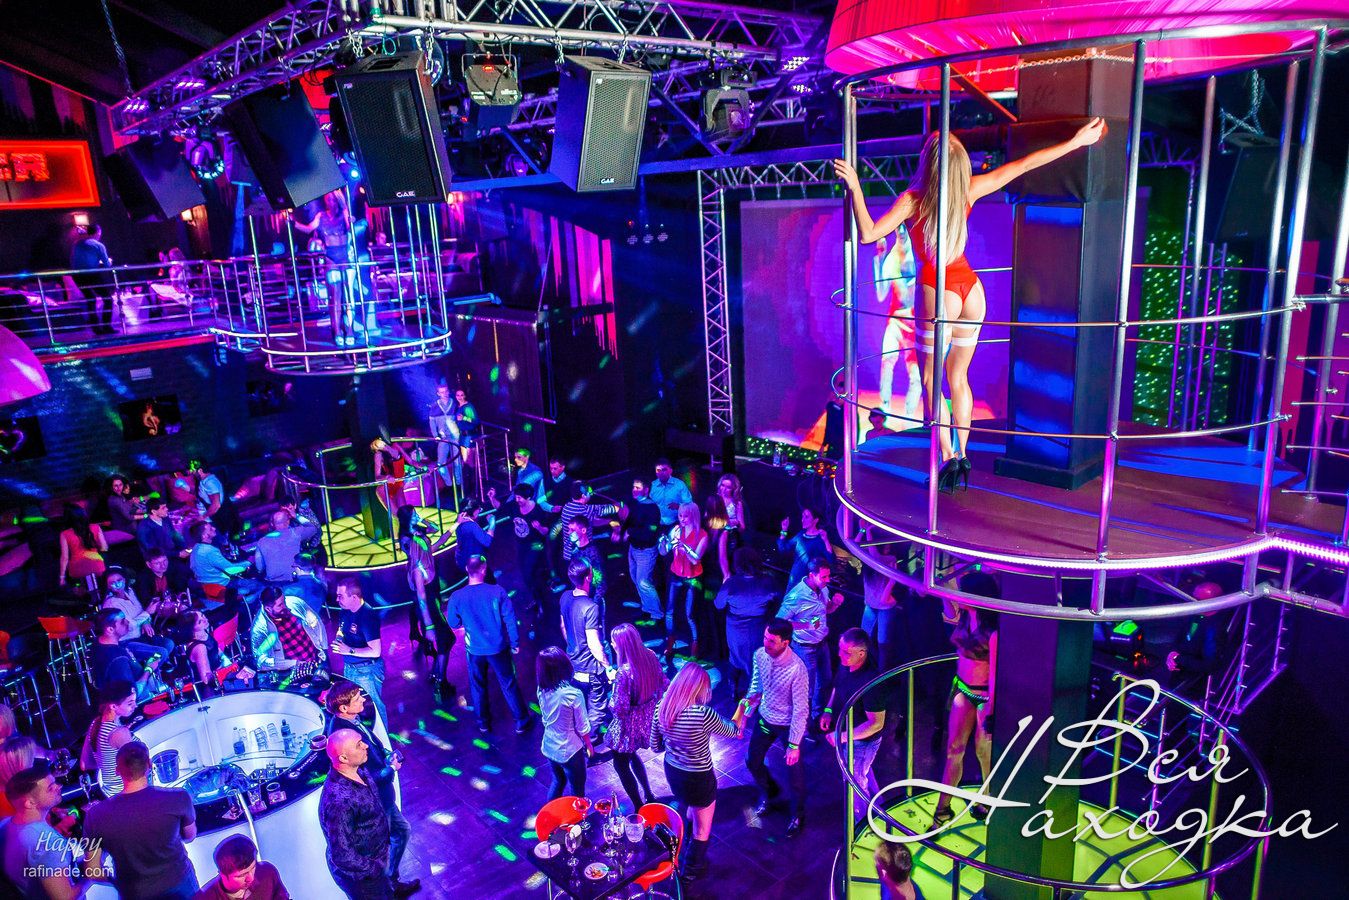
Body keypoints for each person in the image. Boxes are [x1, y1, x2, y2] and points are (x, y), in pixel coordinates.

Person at [836, 119, 1106, 491]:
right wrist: (1076, 142)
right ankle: (962, 454)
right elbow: (1024, 165)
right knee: (958, 377)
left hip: (938, 291)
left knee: (931, 380)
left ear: (927, 162)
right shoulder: (970, 189)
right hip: (971, 291)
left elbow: (868, 234)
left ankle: (947, 456)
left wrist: (855, 188)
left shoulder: (913, 199)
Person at [650, 663, 744, 879]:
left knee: (691, 808)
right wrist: (742, 707)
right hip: (699, 777)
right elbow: (734, 731)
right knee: (703, 830)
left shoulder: (662, 707)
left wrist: (675, 743)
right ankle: (688, 878)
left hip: (673, 772)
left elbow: (655, 746)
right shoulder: (702, 714)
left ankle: (685, 852)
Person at [325, 685, 418, 896]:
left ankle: (391, 880)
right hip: (377, 802)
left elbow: (373, 748)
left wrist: (385, 755)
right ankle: (390, 880)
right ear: (343, 708)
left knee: (401, 832)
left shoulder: (353, 721)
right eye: (357, 698)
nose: (363, 700)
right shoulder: (343, 738)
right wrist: (391, 769)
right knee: (399, 833)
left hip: (380, 801)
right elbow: (367, 779)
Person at [84, 742, 199, 899]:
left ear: (117, 771)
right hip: (181, 884)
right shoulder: (178, 797)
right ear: (149, 765)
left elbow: (92, 870)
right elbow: (190, 836)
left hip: (135, 893)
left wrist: (118, 881)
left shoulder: (95, 815)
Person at [932, 573, 1000, 827]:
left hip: (984, 696)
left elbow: (995, 672)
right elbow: (948, 608)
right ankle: (943, 807)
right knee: (953, 750)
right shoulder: (963, 617)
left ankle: (987, 798)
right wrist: (940, 587)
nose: (958, 594)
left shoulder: (993, 631)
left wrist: (991, 708)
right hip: (963, 689)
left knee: (983, 752)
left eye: (963, 591)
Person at [444, 555, 531, 734]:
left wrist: (467, 621)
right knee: (508, 683)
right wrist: (514, 642)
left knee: (477, 686)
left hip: (474, 650)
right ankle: (521, 721)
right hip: (498, 648)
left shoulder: (457, 596)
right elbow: (510, 619)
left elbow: (453, 622)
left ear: (467, 570)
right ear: (484, 569)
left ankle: (483, 723)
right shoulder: (497, 591)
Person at [743, 618, 810, 837]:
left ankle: (797, 814)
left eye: (772, 641)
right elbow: (756, 686)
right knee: (752, 760)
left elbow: (801, 709)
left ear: (785, 643)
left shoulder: (797, 669)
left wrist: (794, 744)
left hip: (788, 725)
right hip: (765, 717)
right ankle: (770, 792)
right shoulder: (760, 655)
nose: (766, 643)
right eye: (765, 638)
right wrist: (746, 711)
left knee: (795, 773)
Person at [319, 729, 402, 899]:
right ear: (343, 758)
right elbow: (342, 854)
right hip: (364, 880)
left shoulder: (359, 770)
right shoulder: (339, 801)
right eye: (358, 745)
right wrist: (375, 868)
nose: (365, 746)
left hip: (379, 859)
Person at [820, 629, 887, 816]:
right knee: (863, 773)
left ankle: (862, 823)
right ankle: (881, 807)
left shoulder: (871, 683)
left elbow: (876, 724)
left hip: (862, 743)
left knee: (855, 782)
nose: (840, 655)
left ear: (862, 653)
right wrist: (828, 710)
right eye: (840, 649)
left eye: (846, 652)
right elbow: (837, 686)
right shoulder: (846, 664)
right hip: (848, 735)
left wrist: (841, 736)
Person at [396, 506, 455, 703]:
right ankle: (439, 681)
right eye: (413, 514)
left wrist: (452, 526)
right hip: (428, 607)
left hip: (432, 603)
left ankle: (436, 675)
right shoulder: (417, 568)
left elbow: (435, 532)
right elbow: (421, 599)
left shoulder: (424, 554)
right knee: (447, 639)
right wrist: (428, 626)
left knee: (446, 639)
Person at [2, 763, 88, 897]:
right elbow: (65, 897)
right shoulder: (47, 842)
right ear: (29, 803)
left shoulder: (5, 824)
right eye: (50, 788)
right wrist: (92, 876)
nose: (59, 787)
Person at [605, 624, 666, 810]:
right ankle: (649, 794)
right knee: (632, 755)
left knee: (621, 765)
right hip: (646, 720)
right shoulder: (650, 655)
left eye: (614, 642)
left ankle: (639, 807)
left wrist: (612, 690)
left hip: (628, 726)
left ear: (622, 645)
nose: (612, 645)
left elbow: (620, 709)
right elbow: (663, 683)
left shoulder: (623, 672)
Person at [777, 556, 845, 722]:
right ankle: (801, 725)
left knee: (824, 683)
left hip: (822, 645)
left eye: (828, 576)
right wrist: (806, 625)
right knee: (806, 689)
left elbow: (826, 610)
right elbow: (780, 622)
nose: (827, 580)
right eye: (823, 577)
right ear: (811, 575)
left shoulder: (823, 589)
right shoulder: (797, 596)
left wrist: (835, 604)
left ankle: (816, 717)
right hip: (805, 649)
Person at [294, 191, 361, 347]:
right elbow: (308, 229)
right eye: (328, 199)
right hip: (331, 258)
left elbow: (348, 216)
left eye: (333, 199)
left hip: (345, 257)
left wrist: (337, 191)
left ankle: (349, 330)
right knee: (335, 297)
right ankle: (337, 331)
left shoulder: (344, 214)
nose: (331, 202)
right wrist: (293, 223)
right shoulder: (321, 216)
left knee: (349, 296)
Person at [713, 548, 777, 700]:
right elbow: (777, 599)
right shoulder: (768, 582)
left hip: (736, 629)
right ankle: (756, 694)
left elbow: (718, 604)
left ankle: (734, 690)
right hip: (758, 628)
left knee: (735, 657)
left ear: (737, 563)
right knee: (756, 659)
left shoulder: (731, 583)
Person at [873, 228, 921, 422]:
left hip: (915, 325)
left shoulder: (919, 255)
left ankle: (910, 415)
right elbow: (881, 294)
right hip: (895, 321)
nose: (901, 232)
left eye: (904, 228)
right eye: (898, 228)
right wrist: (880, 258)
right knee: (887, 362)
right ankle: (884, 407)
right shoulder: (891, 259)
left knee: (916, 373)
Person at [560, 559, 612, 732]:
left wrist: (573, 648)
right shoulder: (590, 607)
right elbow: (594, 644)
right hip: (591, 668)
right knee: (597, 708)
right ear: (589, 577)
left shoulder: (565, 597)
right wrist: (608, 667)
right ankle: (590, 740)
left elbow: (563, 627)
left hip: (573, 664)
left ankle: (582, 733)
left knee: (581, 705)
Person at [536, 647, 593, 801]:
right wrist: (589, 745)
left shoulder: (541, 689)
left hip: (549, 745)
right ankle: (577, 817)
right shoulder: (573, 694)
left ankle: (551, 814)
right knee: (578, 792)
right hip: (570, 750)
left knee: (558, 781)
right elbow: (583, 726)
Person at [332, 578, 389, 728]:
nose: (337, 599)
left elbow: (375, 651)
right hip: (350, 668)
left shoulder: (367, 616)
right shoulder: (345, 611)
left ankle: (383, 740)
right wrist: (338, 639)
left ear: (354, 597)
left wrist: (348, 650)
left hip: (367, 671)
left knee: (374, 707)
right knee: (355, 705)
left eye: (340, 596)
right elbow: (341, 629)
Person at [661, 501, 708, 663]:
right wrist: (663, 543)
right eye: (680, 515)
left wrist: (684, 547)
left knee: (689, 614)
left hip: (692, 578)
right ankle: (670, 639)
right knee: (669, 610)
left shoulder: (702, 535)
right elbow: (664, 552)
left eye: (685, 516)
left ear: (693, 516)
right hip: (676, 574)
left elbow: (695, 559)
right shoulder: (675, 530)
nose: (682, 519)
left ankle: (695, 644)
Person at [80, 680, 137, 797]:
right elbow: (137, 770)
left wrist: (108, 763)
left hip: (110, 792)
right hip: (129, 794)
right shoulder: (118, 733)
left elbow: (84, 764)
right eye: (130, 703)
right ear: (113, 706)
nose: (135, 706)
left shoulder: (95, 723)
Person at [102, 568, 175, 660]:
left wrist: (145, 622)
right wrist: (147, 613)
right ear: (108, 586)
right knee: (161, 652)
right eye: (112, 582)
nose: (117, 584)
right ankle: (149, 668)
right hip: (127, 642)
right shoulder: (111, 603)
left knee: (168, 643)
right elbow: (128, 626)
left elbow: (140, 611)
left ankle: (153, 665)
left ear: (124, 579)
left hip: (141, 636)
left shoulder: (129, 591)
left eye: (119, 580)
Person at [251, 586, 325, 674]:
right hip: (293, 672)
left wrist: (323, 648)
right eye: (280, 605)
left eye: (284, 601)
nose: (285, 606)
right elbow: (261, 661)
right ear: (268, 609)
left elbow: (316, 622)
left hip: (317, 659)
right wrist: (293, 663)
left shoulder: (294, 603)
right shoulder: (260, 629)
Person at [194, 834, 290, 900]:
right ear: (223, 875)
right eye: (241, 875)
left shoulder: (267, 872)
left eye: (253, 868)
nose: (250, 878)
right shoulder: (204, 898)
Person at [90, 609, 161, 698]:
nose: (128, 622)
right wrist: (149, 669)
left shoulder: (98, 642)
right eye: (123, 622)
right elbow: (130, 696)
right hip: (141, 701)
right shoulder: (118, 659)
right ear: (110, 629)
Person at [620, 477, 663, 620]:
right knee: (636, 579)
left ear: (646, 490)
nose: (634, 490)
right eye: (633, 487)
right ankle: (646, 608)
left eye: (638, 488)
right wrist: (620, 531)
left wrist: (630, 532)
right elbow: (630, 521)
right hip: (633, 548)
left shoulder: (652, 509)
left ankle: (657, 613)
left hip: (645, 551)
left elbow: (649, 533)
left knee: (644, 582)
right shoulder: (636, 503)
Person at [252, 507, 319, 588]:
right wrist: (296, 515)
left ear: (272, 524)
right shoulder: (296, 533)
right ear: (288, 522)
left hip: (273, 585)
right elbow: (313, 528)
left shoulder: (261, 541)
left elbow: (259, 567)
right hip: (293, 583)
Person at [71, 222, 114, 334]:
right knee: (108, 299)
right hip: (91, 274)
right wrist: (109, 261)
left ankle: (96, 328)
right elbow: (107, 265)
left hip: (77, 275)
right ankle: (106, 326)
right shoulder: (99, 245)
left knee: (90, 299)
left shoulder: (77, 243)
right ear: (98, 232)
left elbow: (77, 260)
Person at [187, 521, 245, 602]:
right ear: (204, 536)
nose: (214, 528)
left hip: (209, 589)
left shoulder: (196, 548)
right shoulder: (209, 550)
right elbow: (231, 569)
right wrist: (249, 563)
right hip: (222, 588)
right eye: (210, 529)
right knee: (257, 584)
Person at [705, 473, 748, 577]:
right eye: (722, 485)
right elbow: (706, 518)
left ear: (734, 489)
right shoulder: (714, 499)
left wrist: (734, 522)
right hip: (715, 531)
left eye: (728, 487)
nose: (724, 489)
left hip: (730, 534)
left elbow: (742, 527)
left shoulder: (737, 503)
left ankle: (727, 575)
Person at [777, 507, 832, 587]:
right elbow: (783, 548)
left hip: (809, 581)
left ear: (815, 520)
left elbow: (831, 559)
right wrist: (784, 530)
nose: (802, 520)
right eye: (802, 516)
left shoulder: (820, 538)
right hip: (794, 577)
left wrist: (826, 540)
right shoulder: (800, 535)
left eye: (806, 517)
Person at [58, 503, 107, 590]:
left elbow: (65, 557)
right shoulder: (95, 527)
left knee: (80, 588)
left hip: (77, 569)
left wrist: (62, 577)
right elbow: (104, 548)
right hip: (97, 565)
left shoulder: (64, 534)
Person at [427, 384, 462, 491]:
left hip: (455, 436)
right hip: (443, 437)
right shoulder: (434, 406)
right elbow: (432, 422)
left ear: (449, 391)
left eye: (446, 391)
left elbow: (460, 419)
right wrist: (435, 436)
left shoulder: (454, 404)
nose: (444, 394)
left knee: (457, 460)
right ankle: (449, 484)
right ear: (438, 394)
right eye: (442, 392)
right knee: (441, 463)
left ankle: (459, 483)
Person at [136, 498, 186, 563]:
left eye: (166, 507)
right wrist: (177, 554)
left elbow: (174, 534)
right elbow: (152, 550)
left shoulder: (165, 518)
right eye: (163, 508)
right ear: (154, 511)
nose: (167, 509)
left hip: (172, 552)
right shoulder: (144, 528)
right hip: (159, 560)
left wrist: (184, 547)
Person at [649, 459, 691, 528]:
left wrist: (679, 506)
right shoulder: (652, 486)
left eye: (664, 470)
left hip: (676, 524)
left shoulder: (680, 485)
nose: (661, 473)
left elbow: (690, 505)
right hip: (656, 524)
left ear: (670, 471)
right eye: (658, 470)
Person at [371, 438, 411, 511]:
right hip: (387, 487)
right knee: (397, 514)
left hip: (398, 485)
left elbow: (411, 462)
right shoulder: (378, 454)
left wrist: (426, 466)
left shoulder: (396, 446)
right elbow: (377, 477)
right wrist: (387, 477)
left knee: (405, 512)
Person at [106, 474, 144, 540]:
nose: (119, 488)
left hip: (130, 528)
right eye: (116, 485)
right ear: (111, 487)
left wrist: (143, 510)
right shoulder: (114, 500)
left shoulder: (120, 496)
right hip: (125, 530)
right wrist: (145, 515)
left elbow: (128, 508)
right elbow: (129, 517)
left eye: (120, 485)